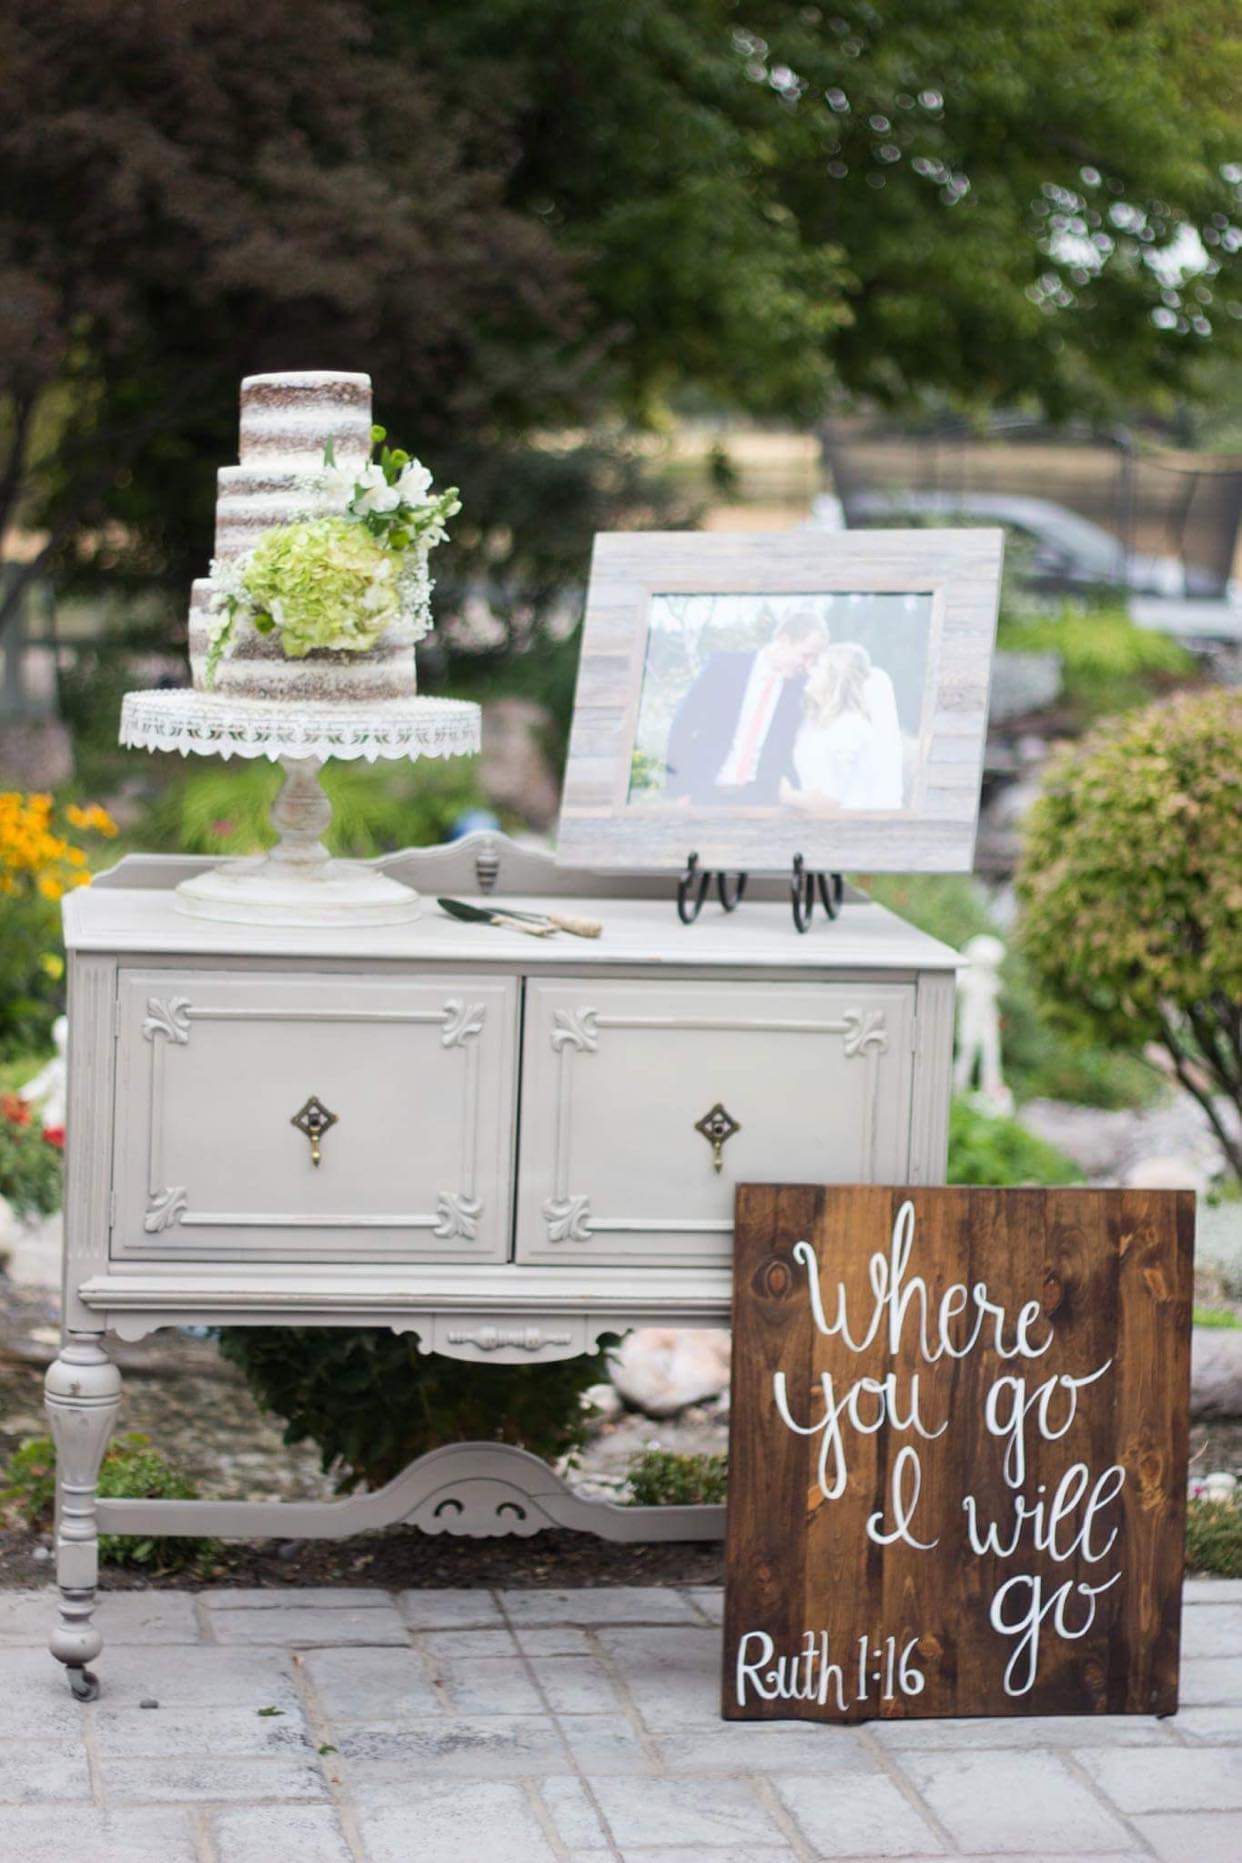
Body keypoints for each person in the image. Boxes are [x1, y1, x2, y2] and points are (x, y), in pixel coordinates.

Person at [664, 609, 828, 805]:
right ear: (784, 640)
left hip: (761, 802)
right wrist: (679, 789)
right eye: (806, 655)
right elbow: (682, 726)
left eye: (814, 659)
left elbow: (792, 750)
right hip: (704, 795)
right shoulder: (723, 667)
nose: (808, 666)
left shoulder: (800, 689)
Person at [783, 643, 905, 811]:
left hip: (848, 823)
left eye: (819, 667)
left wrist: (785, 794)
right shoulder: (814, 724)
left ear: (836, 679)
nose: (810, 671)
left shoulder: (849, 727)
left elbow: (831, 800)